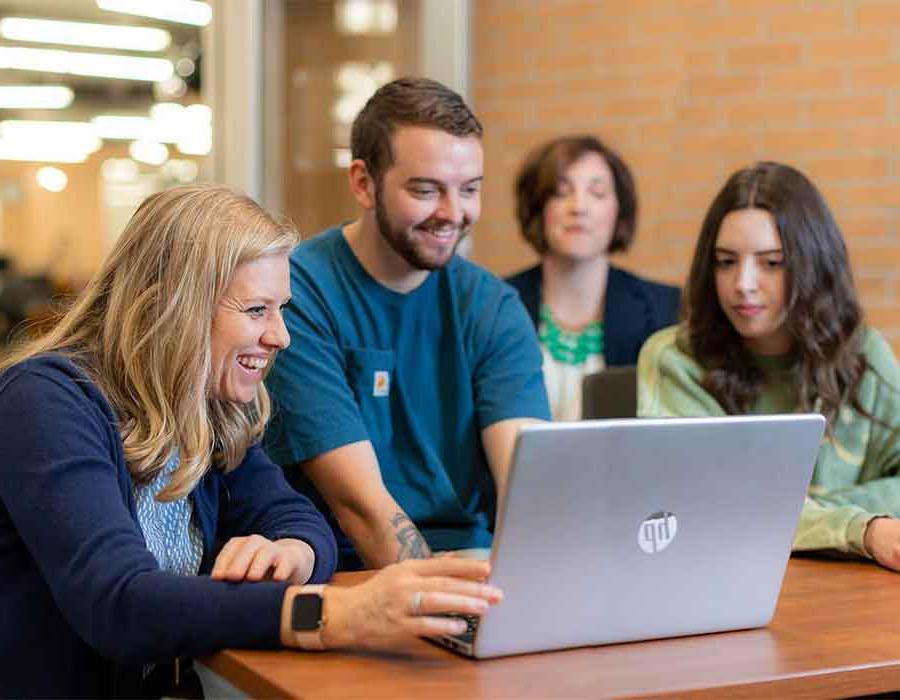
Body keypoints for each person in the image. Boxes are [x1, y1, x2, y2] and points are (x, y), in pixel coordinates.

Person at [0, 184, 502, 698]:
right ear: (173, 306)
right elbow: (119, 604)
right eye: (257, 310)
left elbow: (298, 517)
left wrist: (292, 551)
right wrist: (332, 613)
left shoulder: (211, 404)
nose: (280, 336)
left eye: (281, 308)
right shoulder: (44, 402)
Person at [265, 77, 550, 570]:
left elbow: (530, 489)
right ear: (363, 183)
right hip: (348, 572)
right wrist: (436, 606)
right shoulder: (297, 295)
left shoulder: (492, 306)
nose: (453, 213)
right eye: (425, 190)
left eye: (470, 190)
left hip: (475, 566)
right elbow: (363, 511)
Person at [637, 161, 900, 571]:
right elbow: (715, 507)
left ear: (814, 262)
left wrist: (808, 512)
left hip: (845, 591)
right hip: (719, 585)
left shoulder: (863, 352)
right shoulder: (674, 357)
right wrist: (861, 529)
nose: (743, 283)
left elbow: (755, 511)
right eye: (726, 262)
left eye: (771, 263)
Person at [506, 135, 680, 420]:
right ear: (538, 208)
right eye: (561, 192)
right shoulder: (495, 304)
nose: (578, 208)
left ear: (619, 211)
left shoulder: (664, 309)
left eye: (597, 193)